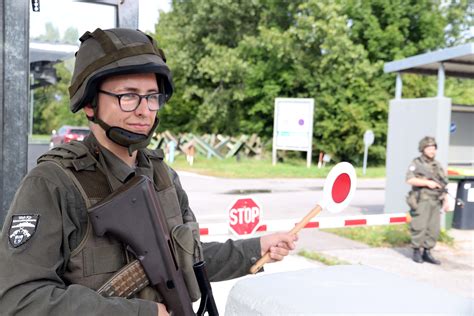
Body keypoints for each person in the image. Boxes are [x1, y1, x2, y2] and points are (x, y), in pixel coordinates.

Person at [0, 28, 297, 316]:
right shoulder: (54, 183)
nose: (144, 110)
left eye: (152, 96)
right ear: (90, 103)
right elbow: (20, 299)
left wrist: (254, 248)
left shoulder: (160, 175)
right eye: (128, 96)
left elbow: (184, 258)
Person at [406, 136, 449, 265]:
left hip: (436, 200)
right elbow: (409, 179)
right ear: (423, 149)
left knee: (433, 229)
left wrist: (446, 201)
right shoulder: (417, 163)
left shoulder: (437, 165)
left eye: (434, 148)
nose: (432, 151)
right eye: (429, 148)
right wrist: (426, 183)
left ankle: (427, 252)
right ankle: (416, 251)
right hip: (422, 200)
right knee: (419, 226)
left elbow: (443, 185)